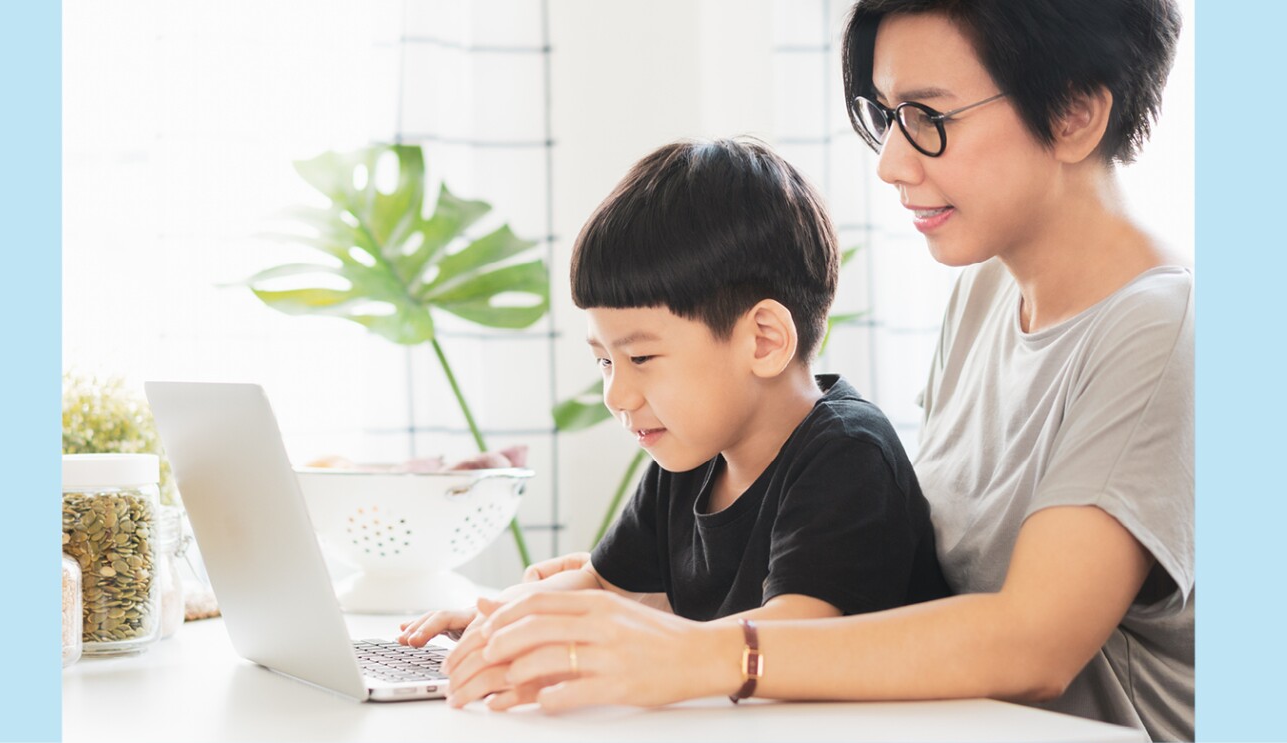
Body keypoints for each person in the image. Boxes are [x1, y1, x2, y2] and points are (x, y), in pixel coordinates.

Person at [446, 1, 1193, 741]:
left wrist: (697, 651)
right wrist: (570, 615)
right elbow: (919, 561)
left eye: (929, 117)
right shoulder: (986, 293)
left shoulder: (1167, 327)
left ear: (1073, 114)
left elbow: (1033, 643)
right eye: (886, 116)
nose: (891, 163)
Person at [400, 138, 951, 705]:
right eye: (604, 361)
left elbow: (796, 629)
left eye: (640, 358)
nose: (616, 392)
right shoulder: (690, 456)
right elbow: (600, 584)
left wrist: (621, 654)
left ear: (763, 340)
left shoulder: (847, 455)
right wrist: (501, 622)